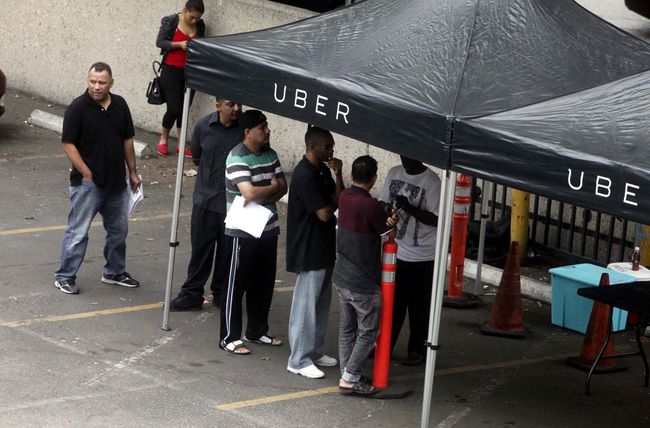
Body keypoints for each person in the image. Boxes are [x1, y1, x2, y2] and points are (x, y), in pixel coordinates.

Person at [53, 62, 142, 294]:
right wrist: (85, 172)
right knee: (78, 232)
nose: (96, 86)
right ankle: (65, 276)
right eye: (92, 81)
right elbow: (68, 143)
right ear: (87, 81)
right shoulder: (77, 108)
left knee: (119, 231)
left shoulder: (120, 105)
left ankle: (114, 272)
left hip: (116, 184)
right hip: (88, 185)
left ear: (111, 83)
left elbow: (127, 140)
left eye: (102, 82)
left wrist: (132, 171)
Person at [220, 110, 288, 355]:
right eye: (262, 128)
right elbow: (248, 193)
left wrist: (266, 190)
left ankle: (257, 331)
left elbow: (283, 187)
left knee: (264, 283)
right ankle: (229, 337)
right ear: (248, 132)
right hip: (242, 231)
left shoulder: (271, 154)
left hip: (268, 229)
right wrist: (269, 187)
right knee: (236, 286)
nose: (267, 131)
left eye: (266, 126)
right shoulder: (237, 157)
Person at [170, 98, 243, 311]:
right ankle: (192, 294)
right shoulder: (203, 127)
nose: (236, 109)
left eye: (239, 104)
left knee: (228, 252)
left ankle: (221, 293)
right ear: (218, 105)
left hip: (233, 204)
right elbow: (197, 158)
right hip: (205, 200)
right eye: (231, 104)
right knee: (201, 250)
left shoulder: (243, 130)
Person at [333, 155, 397, 395]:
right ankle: (349, 377)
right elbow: (390, 233)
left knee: (347, 327)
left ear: (351, 176)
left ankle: (347, 372)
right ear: (373, 179)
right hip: (362, 281)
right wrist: (392, 219)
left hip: (342, 275)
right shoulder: (372, 206)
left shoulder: (344, 197)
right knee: (369, 331)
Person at [285, 126, 345, 379]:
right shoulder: (304, 175)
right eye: (326, 146)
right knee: (306, 305)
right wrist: (331, 204)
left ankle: (316, 350)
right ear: (311, 147)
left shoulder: (322, 169)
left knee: (321, 303)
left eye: (332, 146)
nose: (331, 150)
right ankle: (298, 359)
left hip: (325, 245)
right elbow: (323, 214)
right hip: (308, 247)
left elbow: (339, 200)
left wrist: (339, 174)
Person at [379, 155, 440, 365]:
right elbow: (382, 203)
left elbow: (436, 219)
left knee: (419, 308)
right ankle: (385, 346)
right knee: (392, 305)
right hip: (397, 251)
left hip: (423, 255)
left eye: (410, 156)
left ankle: (417, 350)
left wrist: (409, 208)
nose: (405, 159)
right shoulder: (394, 172)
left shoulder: (432, 181)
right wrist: (389, 212)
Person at [155, 0, 206, 158]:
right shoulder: (171, 21)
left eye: (197, 18)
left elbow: (202, 45)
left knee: (185, 109)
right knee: (174, 108)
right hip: (171, 70)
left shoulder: (200, 25)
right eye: (191, 17)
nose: (194, 21)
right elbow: (160, 42)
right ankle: (163, 139)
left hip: (191, 71)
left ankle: (181, 144)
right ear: (184, 10)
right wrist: (179, 44)